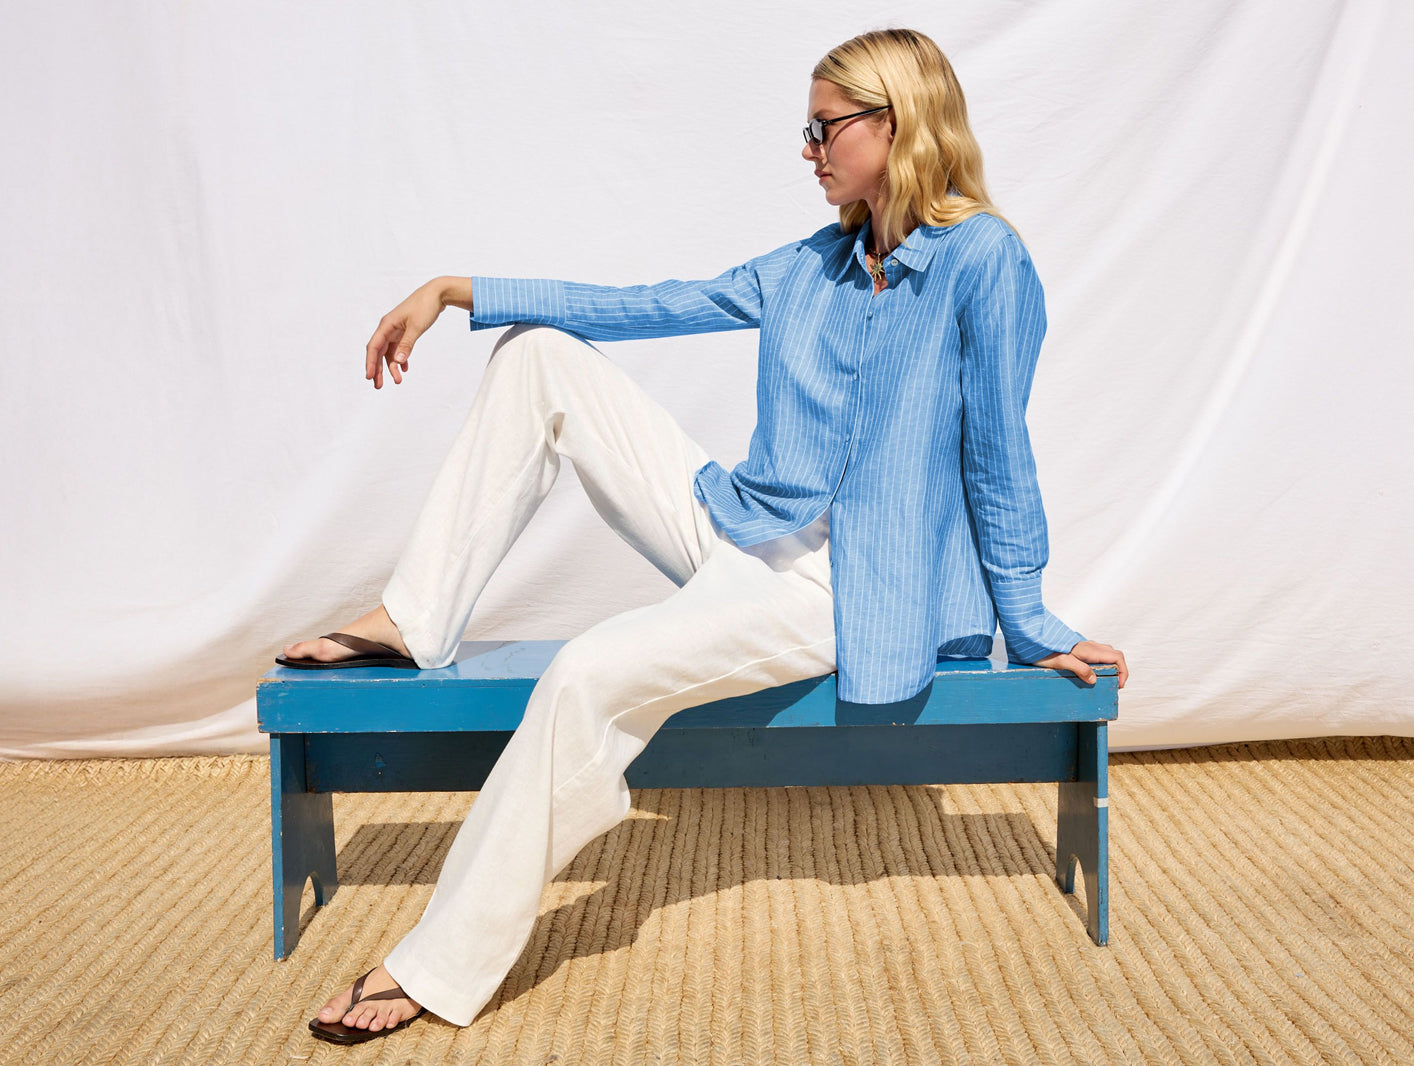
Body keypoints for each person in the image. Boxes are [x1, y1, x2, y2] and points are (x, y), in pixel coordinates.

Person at [280, 27, 1129, 1045]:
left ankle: (435, 963)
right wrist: (461, 288)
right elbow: (652, 304)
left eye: (824, 129)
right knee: (539, 357)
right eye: (804, 131)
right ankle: (416, 615)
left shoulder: (985, 261)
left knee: (589, 672)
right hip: (741, 525)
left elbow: (998, 448)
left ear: (895, 124)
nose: (807, 151)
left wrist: (1026, 614)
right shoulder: (812, 264)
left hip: (838, 590)